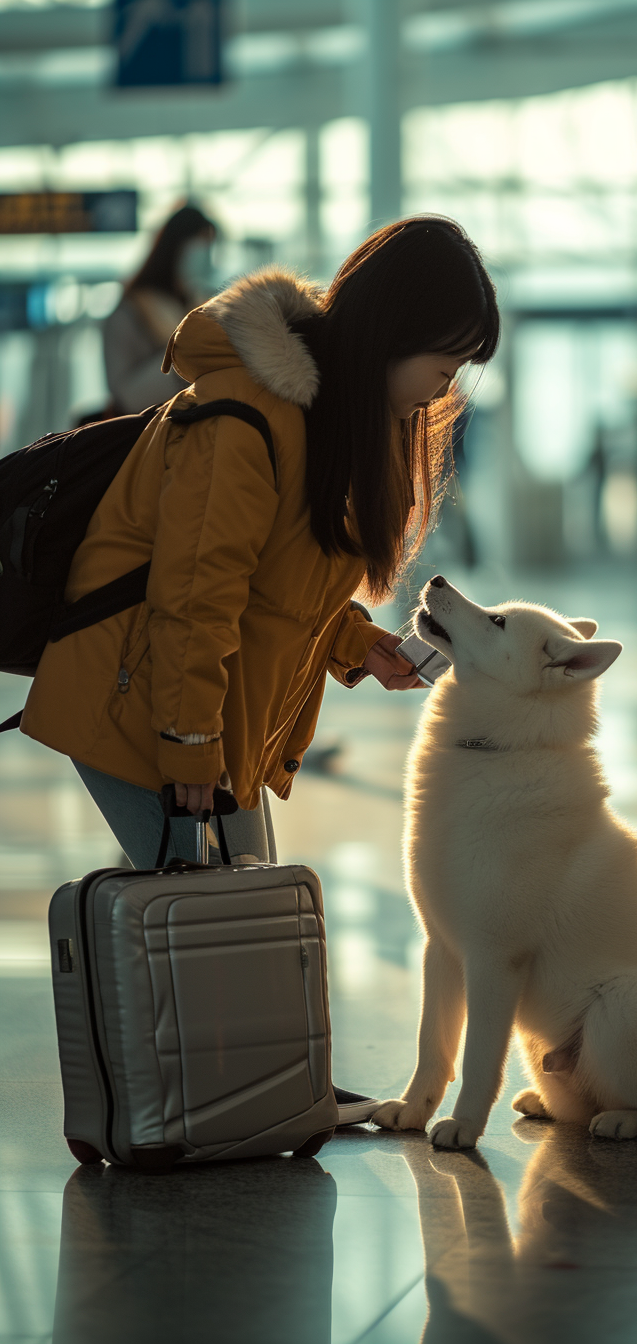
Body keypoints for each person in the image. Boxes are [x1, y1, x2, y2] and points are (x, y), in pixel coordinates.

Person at [20, 215, 500, 1120]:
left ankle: (267, 1099)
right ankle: (231, 1111)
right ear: (391, 334)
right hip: (142, 704)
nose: (447, 387)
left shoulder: (330, 419)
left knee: (255, 929)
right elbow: (195, 601)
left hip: (209, 706)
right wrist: (191, 751)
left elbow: (285, 588)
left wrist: (364, 646)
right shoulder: (245, 409)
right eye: (443, 362)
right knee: (225, 929)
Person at [103, 203, 217, 414]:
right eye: (201, 244)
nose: (207, 255)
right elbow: (124, 396)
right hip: (144, 432)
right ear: (176, 246)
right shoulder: (131, 311)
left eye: (211, 245)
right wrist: (185, 361)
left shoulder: (208, 305)